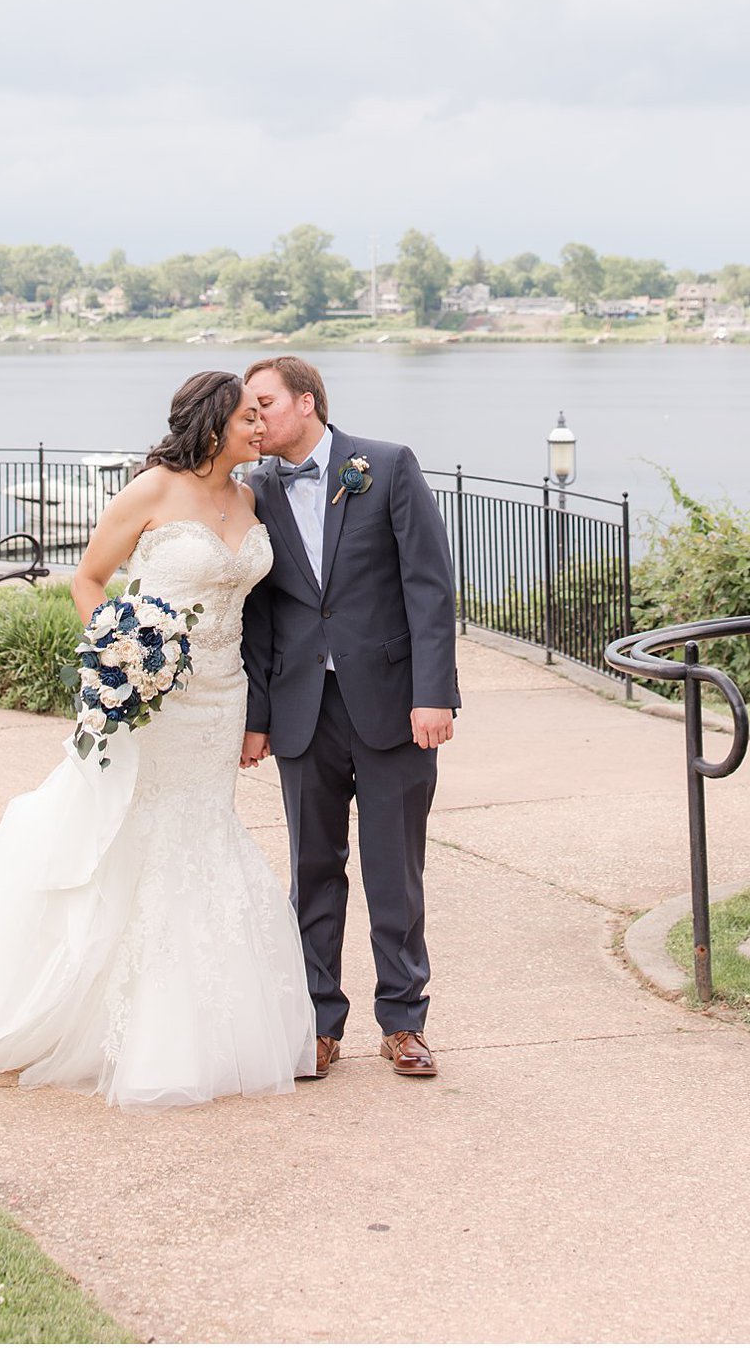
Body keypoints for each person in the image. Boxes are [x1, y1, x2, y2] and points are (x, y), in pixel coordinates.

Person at [0, 370, 316, 1108]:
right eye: (249, 417)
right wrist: (120, 658)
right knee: (131, 837)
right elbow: (89, 580)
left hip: (221, 697)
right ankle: (112, 1020)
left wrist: (254, 712)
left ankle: (208, 1026)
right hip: (156, 698)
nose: (259, 428)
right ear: (215, 425)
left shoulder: (248, 497)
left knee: (200, 832)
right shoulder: (152, 491)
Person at [241, 355, 458, 1080]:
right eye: (249, 408)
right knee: (312, 869)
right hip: (304, 709)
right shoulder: (256, 491)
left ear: (306, 403)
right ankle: (318, 1024)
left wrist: (435, 692)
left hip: (395, 703)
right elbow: (260, 615)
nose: (254, 418)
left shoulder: (388, 467)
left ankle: (404, 1021)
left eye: (264, 403)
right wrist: (258, 716)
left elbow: (428, 586)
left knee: (395, 867)